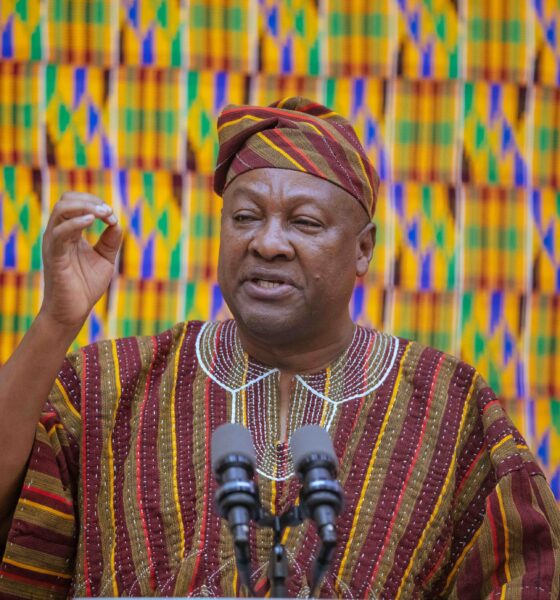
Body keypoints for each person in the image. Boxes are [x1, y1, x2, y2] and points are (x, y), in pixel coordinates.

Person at [0, 97, 558, 599]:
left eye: (304, 222)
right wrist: (57, 320)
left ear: (363, 249)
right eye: (245, 217)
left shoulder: (447, 406)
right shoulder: (112, 383)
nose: (267, 243)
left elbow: (529, 573)